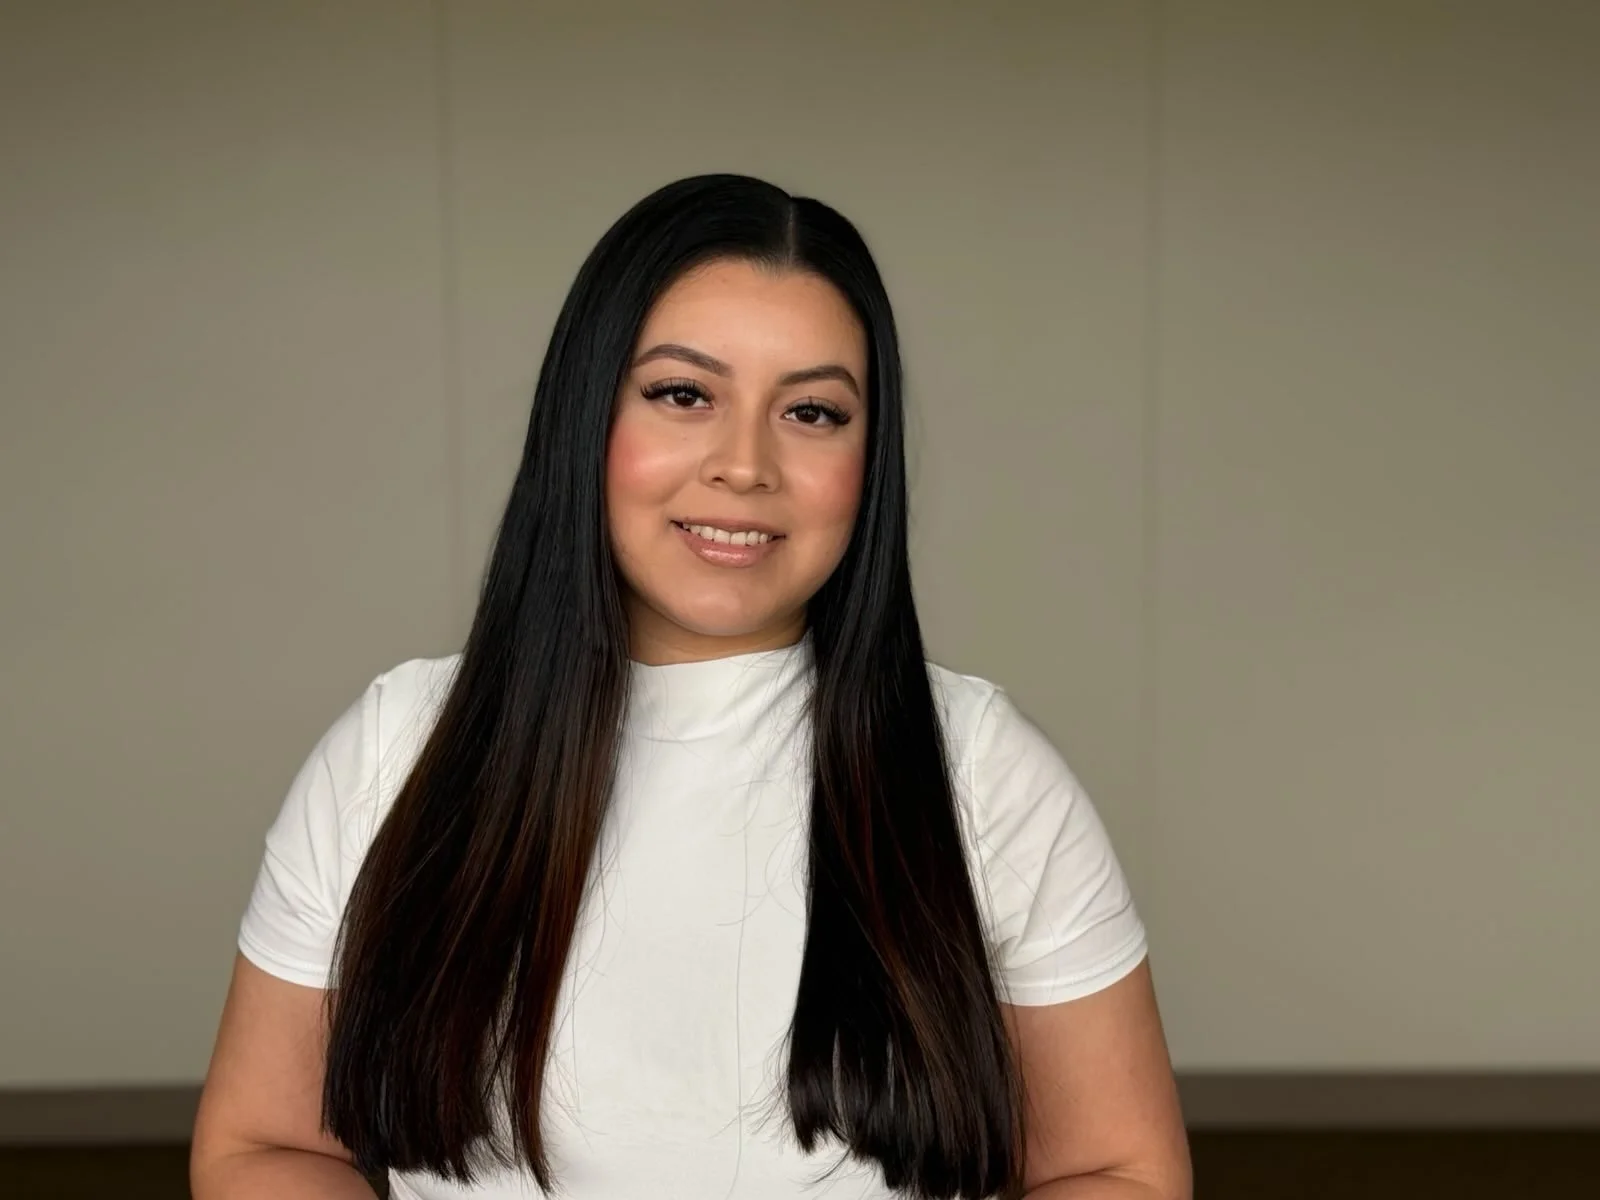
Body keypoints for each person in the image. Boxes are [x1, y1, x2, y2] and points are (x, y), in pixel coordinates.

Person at [191, 174, 1191, 1200]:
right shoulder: (395, 747)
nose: (744, 464)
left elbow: (1117, 1170)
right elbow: (268, 1143)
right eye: (683, 394)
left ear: (868, 460)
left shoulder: (980, 768)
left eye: (811, 411)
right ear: (586, 418)